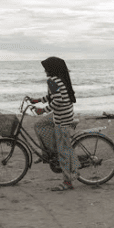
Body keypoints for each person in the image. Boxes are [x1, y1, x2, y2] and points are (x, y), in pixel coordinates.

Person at [30, 57, 80, 191]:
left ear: (51, 69)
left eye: (46, 68)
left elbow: (57, 101)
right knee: (39, 125)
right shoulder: (59, 79)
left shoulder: (52, 80)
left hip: (62, 118)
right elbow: (52, 96)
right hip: (64, 114)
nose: (44, 71)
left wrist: (42, 110)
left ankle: (68, 181)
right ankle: (48, 154)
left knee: (63, 151)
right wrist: (37, 100)